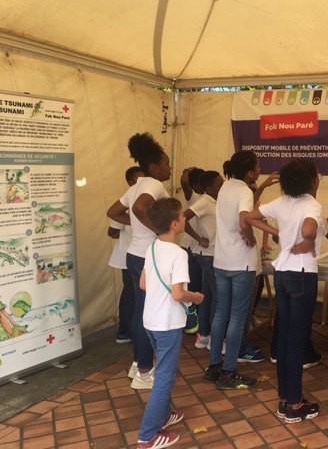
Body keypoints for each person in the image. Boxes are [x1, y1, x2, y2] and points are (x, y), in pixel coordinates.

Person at [246, 159, 324, 423]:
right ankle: (295, 404)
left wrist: (279, 233)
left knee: (284, 338)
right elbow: (309, 229)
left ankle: (285, 399)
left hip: (282, 274)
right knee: (297, 339)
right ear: (313, 181)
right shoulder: (311, 204)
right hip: (302, 276)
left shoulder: (281, 202)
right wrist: (307, 240)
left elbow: (249, 216)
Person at [136, 198, 204, 449]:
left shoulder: (152, 247)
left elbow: (143, 284)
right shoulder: (178, 254)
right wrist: (195, 297)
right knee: (165, 377)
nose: (185, 219)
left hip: (150, 320)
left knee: (162, 371)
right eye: (182, 216)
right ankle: (147, 436)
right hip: (168, 323)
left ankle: (164, 415)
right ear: (175, 224)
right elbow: (178, 294)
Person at [107, 132, 172, 390]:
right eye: (166, 164)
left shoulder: (135, 186)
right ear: (154, 167)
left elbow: (114, 212)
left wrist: (136, 225)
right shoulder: (153, 185)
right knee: (149, 313)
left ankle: (137, 363)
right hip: (148, 257)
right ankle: (144, 373)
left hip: (134, 255)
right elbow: (138, 209)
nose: (169, 168)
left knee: (139, 311)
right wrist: (160, 231)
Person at [203, 150, 261, 390]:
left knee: (221, 314)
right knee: (238, 315)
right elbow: (244, 220)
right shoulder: (244, 191)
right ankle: (229, 372)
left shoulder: (225, 187)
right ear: (250, 172)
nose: (259, 170)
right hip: (240, 262)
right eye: (257, 167)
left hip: (221, 260)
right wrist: (251, 238)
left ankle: (214, 367)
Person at [183, 170, 224, 350]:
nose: (222, 186)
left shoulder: (217, 201)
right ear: (209, 188)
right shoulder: (205, 202)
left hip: (213, 254)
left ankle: (204, 334)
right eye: (219, 184)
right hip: (207, 254)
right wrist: (199, 238)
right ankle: (215, 336)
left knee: (207, 294)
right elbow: (182, 218)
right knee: (219, 295)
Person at [108, 166, 144, 344]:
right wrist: (128, 227)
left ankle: (130, 330)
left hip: (137, 256)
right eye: (138, 180)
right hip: (128, 258)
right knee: (131, 294)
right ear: (130, 183)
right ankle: (125, 331)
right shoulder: (127, 204)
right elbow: (111, 231)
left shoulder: (144, 202)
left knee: (136, 294)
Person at [179, 167, 205, 334]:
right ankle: (189, 323)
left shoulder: (211, 199)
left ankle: (199, 322)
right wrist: (187, 170)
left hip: (202, 251)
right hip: (190, 249)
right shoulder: (193, 198)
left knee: (201, 287)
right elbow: (183, 181)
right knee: (192, 286)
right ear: (195, 185)